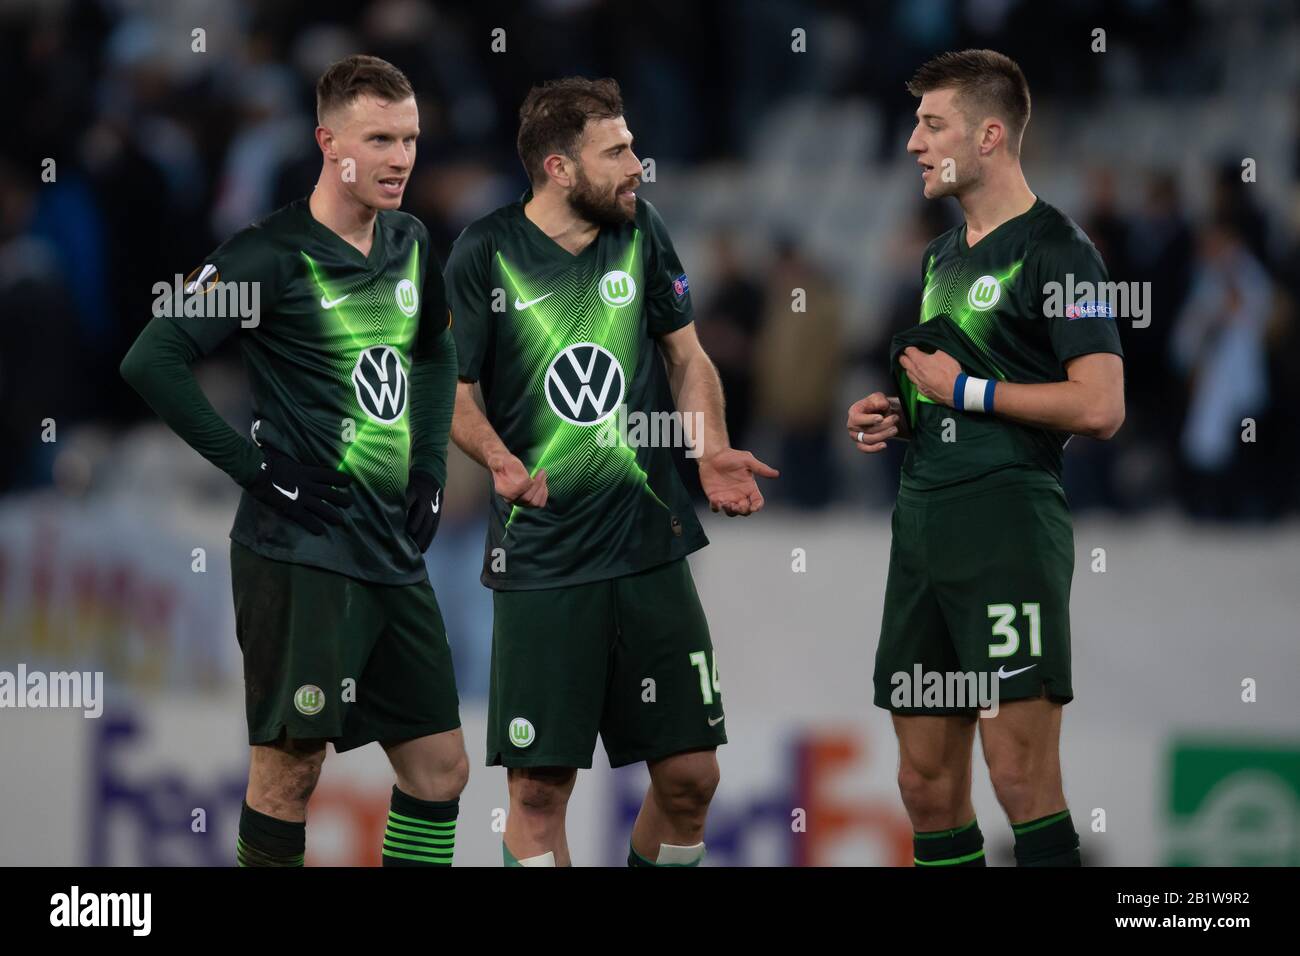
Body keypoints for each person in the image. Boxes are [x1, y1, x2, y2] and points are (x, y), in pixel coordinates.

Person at [120, 55, 468, 867]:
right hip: (300, 551)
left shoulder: (413, 242)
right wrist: (251, 468)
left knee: (441, 768)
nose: (401, 158)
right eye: (379, 138)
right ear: (327, 142)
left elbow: (437, 356)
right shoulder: (266, 254)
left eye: (410, 138)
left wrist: (429, 470)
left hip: (390, 551)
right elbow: (153, 357)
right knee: (289, 774)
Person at [445, 77, 777, 867]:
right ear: (560, 168)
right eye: (618, 151)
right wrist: (497, 457)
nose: (639, 165)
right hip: (543, 557)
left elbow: (687, 354)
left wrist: (709, 445)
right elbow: (451, 393)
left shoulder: (642, 232)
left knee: (692, 777)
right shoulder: (483, 252)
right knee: (537, 791)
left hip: (646, 544)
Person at [847, 49, 1125, 867]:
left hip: (1007, 524)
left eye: (932, 125)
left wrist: (963, 394)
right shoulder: (940, 256)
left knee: (1018, 773)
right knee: (924, 784)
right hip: (924, 521)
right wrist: (909, 415)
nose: (912, 144)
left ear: (991, 135)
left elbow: (1101, 405)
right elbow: (973, 384)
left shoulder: (1061, 251)